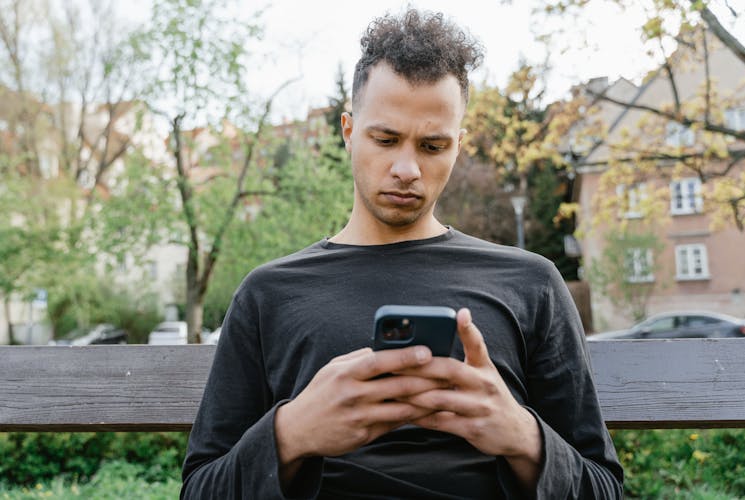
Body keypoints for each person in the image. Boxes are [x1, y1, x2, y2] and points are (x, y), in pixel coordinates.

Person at [181, 8, 623, 499]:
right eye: (386, 139)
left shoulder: (531, 283)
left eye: (432, 146)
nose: (407, 168)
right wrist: (291, 435)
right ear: (348, 131)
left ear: (459, 146)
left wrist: (524, 440)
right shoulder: (269, 294)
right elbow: (200, 489)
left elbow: (604, 489)